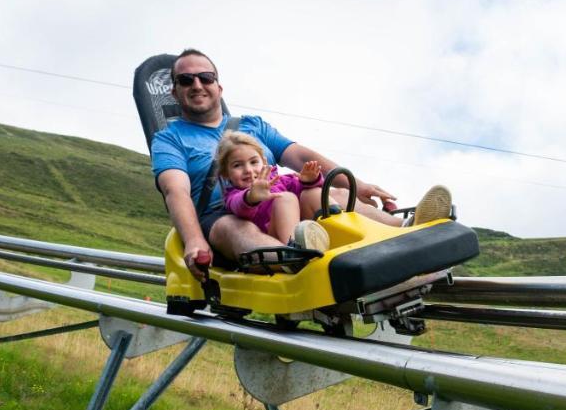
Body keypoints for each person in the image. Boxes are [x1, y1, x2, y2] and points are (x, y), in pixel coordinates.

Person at [150, 49, 452, 279]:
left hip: (282, 206)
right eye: (186, 80)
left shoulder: (251, 125)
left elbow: (299, 157)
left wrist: (356, 185)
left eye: (206, 78)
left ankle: (408, 229)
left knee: (326, 195)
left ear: (219, 87)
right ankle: (291, 258)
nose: (197, 85)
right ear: (175, 91)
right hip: (223, 213)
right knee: (234, 226)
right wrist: (194, 242)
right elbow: (176, 191)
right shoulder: (169, 140)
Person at [215, 129, 328, 251]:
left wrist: (309, 180)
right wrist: (251, 197)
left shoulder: (281, 180)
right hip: (273, 240)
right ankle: (295, 251)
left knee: (312, 193)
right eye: (237, 165)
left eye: (253, 162)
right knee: (286, 198)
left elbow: (302, 189)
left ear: (263, 162)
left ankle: (338, 228)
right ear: (226, 174)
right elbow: (239, 206)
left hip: (303, 231)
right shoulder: (234, 195)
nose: (248, 169)